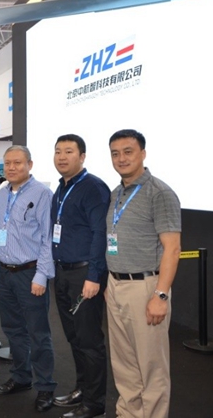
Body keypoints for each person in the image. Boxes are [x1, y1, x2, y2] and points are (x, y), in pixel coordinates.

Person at [106, 129, 181, 418]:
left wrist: (160, 295)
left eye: (128, 152)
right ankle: (128, 413)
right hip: (116, 285)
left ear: (143, 154)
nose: (121, 158)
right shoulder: (116, 194)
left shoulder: (159, 193)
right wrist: (110, 282)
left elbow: (172, 249)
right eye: (115, 153)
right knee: (124, 363)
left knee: (152, 366)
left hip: (146, 286)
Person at [50, 135, 110, 418]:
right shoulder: (61, 188)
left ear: (82, 156)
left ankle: (94, 403)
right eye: (58, 151)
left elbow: (100, 234)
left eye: (69, 152)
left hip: (85, 274)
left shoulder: (93, 187)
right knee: (74, 337)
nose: (62, 157)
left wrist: (94, 276)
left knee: (89, 340)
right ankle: (82, 390)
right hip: (63, 272)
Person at [0, 145, 56, 412]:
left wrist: (41, 275)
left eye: (17, 162)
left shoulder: (42, 194)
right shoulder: (1, 194)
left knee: (38, 333)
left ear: (30, 164)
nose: (11, 167)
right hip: (4, 271)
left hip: (30, 272)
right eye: (7, 163)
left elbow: (48, 238)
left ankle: (45, 387)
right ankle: (21, 377)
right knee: (13, 329)